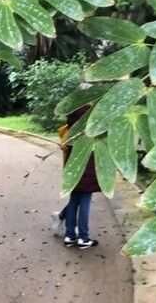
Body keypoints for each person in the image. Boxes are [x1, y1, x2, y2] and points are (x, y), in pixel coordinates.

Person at [53, 106, 100, 249]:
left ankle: (69, 236)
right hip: (87, 161)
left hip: (73, 162)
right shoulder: (92, 114)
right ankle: (83, 237)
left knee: (74, 198)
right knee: (85, 200)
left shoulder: (72, 114)